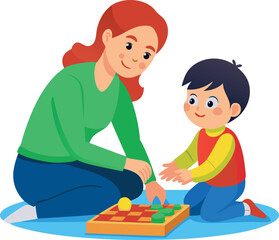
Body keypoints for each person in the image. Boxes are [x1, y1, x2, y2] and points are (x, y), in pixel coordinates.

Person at [5, 0, 168, 223]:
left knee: (132, 183)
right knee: (108, 194)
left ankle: (82, 197)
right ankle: (35, 212)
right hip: (35, 170)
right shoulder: (71, 82)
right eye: (130, 46)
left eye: (147, 55)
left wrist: (151, 181)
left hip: (71, 162)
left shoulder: (118, 90)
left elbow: (132, 141)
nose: (136, 59)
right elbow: (77, 146)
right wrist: (126, 163)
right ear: (108, 37)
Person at [160, 59, 266, 222]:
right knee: (189, 205)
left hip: (230, 185)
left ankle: (246, 207)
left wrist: (191, 175)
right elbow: (190, 155)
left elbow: (213, 166)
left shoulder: (226, 138)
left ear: (233, 109)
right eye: (192, 100)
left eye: (210, 103)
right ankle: (213, 201)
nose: (198, 109)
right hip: (209, 181)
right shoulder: (202, 133)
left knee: (209, 215)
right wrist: (175, 165)